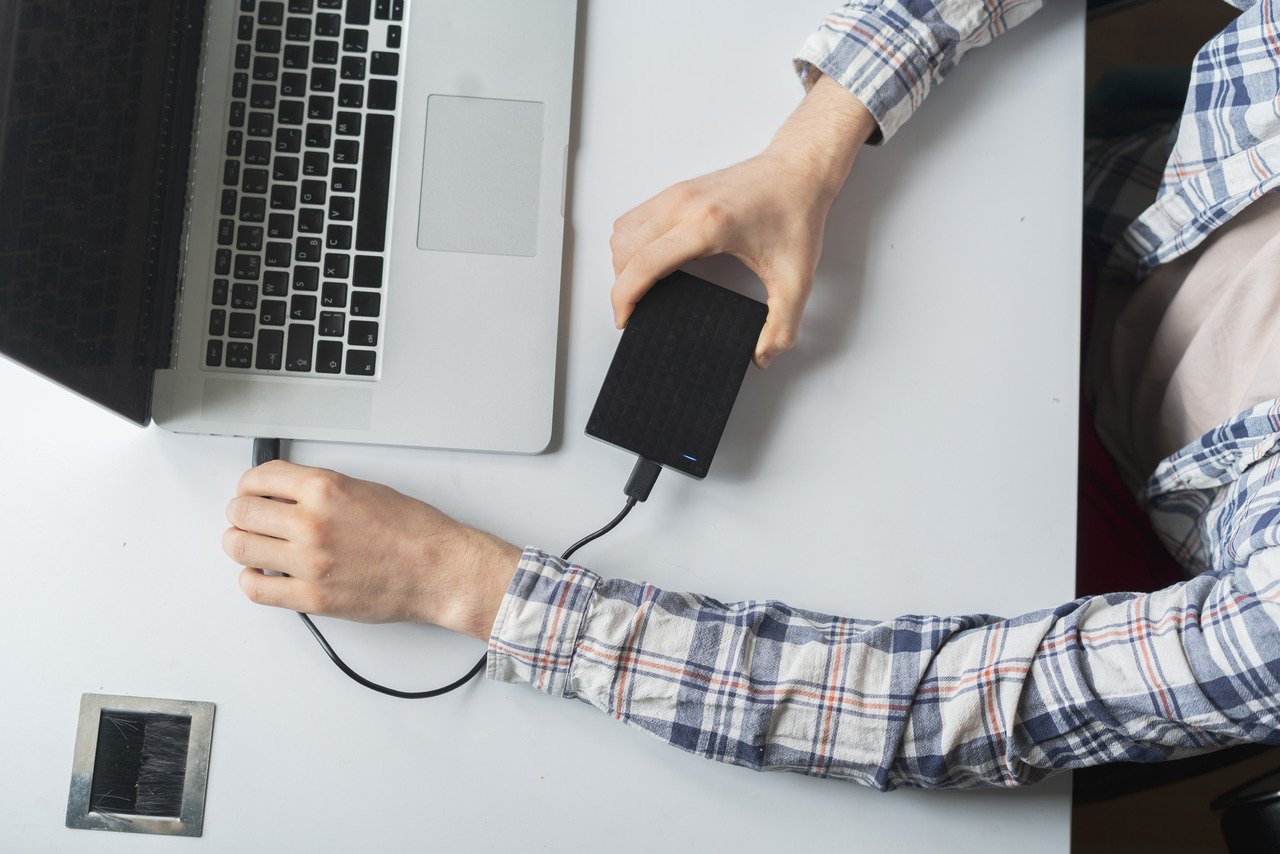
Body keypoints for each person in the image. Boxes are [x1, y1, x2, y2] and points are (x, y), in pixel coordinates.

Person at [221, 1, 1280, 790]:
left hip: (1101, 496)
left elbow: (938, 704)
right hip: (1085, 202)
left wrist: (469, 588)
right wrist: (810, 146)